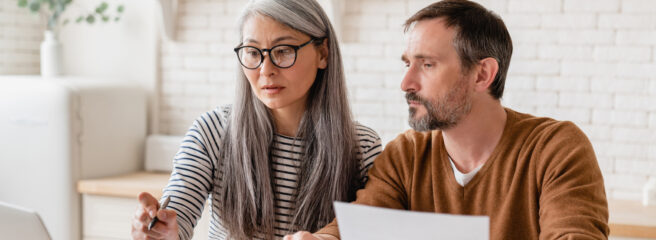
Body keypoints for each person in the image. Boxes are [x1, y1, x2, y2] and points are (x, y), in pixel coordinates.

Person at [285, 1, 609, 239]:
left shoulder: (555, 149)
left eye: (427, 65)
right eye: (407, 63)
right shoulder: (406, 155)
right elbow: (358, 227)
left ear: (482, 74)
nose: (406, 83)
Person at [130, 0, 383, 239]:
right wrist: (161, 229)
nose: (265, 69)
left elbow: (374, 231)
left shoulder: (362, 146)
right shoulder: (212, 131)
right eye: (252, 52)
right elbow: (178, 217)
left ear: (323, 53)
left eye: (283, 51)